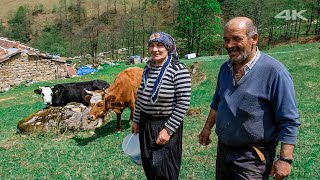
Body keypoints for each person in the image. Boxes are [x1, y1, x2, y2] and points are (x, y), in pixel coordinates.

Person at [198, 17, 301, 180]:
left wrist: (285, 159)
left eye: (237, 39)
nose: (229, 45)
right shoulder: (225, 68)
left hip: (253, 157)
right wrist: (207, 128)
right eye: (226, 40)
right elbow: (218, 101)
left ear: (254, 38)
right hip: (224, 152)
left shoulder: (275, 72)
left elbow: (288, 120)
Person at [131, 32, 191, 180]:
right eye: (152, 46)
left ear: (168, 47)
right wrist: (137, 120)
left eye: (159, 45)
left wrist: (168, 130)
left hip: (165, 123)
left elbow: (183, 102)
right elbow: (141, 96)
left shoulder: (178, 69)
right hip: (146, 123)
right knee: (149, 164)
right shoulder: (148, 68)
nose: (155, 49)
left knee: (165, 167)